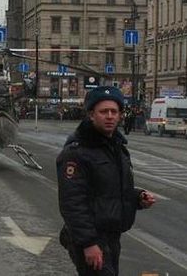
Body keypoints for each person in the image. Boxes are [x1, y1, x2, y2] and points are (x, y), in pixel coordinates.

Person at [56, 86, 155, 276]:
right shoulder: (77, 152)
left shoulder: (117, 148)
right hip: (91, 237)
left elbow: (112, 190)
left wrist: (138, 197)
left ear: (119, 115)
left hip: (112, 235)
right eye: (103, 112)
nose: (109, 116)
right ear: (91, 115)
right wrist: (89, 243)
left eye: (114, 111)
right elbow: (72, 202)